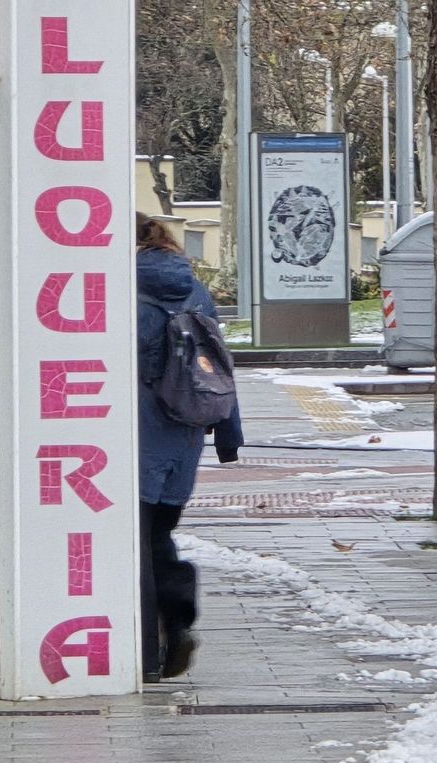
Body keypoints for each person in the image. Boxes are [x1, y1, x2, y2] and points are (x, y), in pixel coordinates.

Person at [136, 213, 242, 682]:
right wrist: (229, 435)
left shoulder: (113, 290)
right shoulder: (194, 290)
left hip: (133, 433)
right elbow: (216, 361)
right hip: (184, 434)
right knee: (159, 531)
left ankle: (150, 645)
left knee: (134, 541)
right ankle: (173, 623)